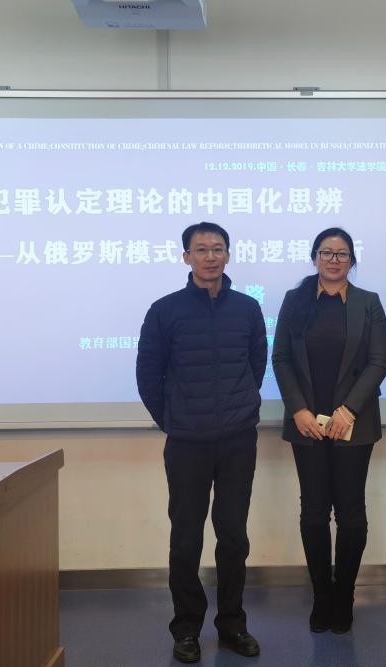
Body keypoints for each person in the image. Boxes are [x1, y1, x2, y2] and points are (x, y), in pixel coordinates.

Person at [136, 222, 267, 664]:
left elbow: (256, 364)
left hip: (237, 441)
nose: (210, 257)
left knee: (233, 537)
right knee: (186, 538)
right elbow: (148, 375)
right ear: (186, 257)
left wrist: (239, 409)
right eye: (201, 249)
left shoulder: (247, 309)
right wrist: (173, 421)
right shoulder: (164, 310)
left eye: (218, 249)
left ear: (228, 255)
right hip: (187, 443)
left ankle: (232, 624)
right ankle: (187, 628)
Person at [271, 227, 386, 635]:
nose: (334, 259)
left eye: (342, 253)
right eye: (326, 252)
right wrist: (298, 410)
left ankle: (345, 596)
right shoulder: (295, 300)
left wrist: (348, 410)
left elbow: (378, 361)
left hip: (353, 425)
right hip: (307, 425)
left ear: (352, 260)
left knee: (351, 512)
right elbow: (281, 358)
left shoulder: (368, 303)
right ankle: (322, 595)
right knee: (314, 512)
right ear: (315, 257)